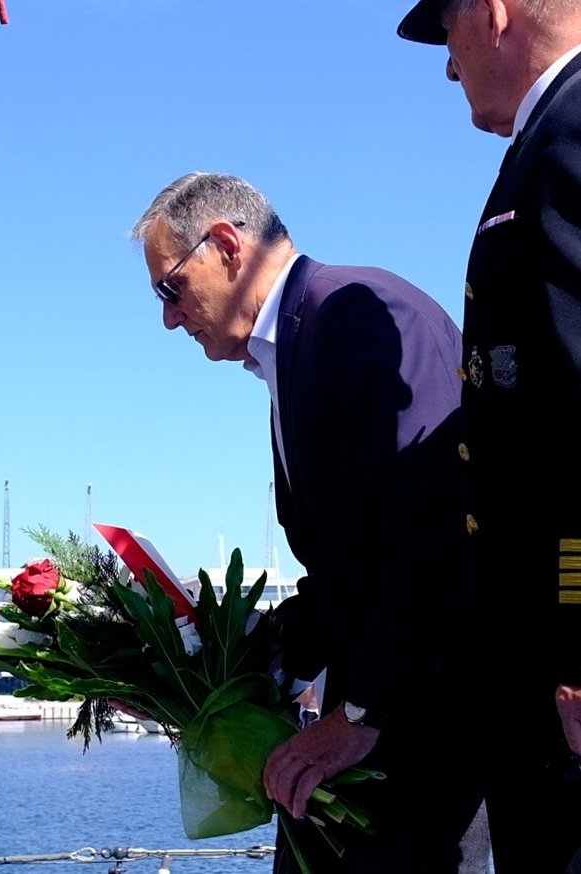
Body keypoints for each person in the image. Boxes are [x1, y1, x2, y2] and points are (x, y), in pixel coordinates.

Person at [132, 172, 482, 872]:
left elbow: (435, 540)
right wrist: (219, 659)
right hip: (369, 739)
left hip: (420, 738)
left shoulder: (358, 314)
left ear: (225, 244)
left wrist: (358, 718)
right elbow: (348, 570)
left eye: (168, 288)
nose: (168, 318)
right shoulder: (297, 345)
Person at [397, 2, 581, 871]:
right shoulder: (548, 136)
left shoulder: (571, 131)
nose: (445, 67)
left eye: (445, 36)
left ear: (493, 13)